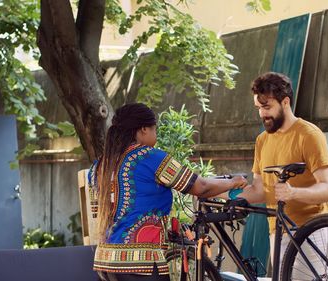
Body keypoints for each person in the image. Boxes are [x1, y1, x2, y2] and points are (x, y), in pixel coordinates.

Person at [88, 103, 247, 281]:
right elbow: (200, 186)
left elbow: (97, 214)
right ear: (143, 130)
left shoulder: (99, 166)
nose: (155, 134)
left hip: (105, 264)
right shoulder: (150, 157)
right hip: (141, 265)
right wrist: (233, 182)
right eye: (154, 129)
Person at [228, 72, 328, 277]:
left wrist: (293, 193)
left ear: (285, 102)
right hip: (279, 231)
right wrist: (218, 194)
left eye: (267, 107)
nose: (261, 114)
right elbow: (260, 191)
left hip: (312, 230)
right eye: (259, 108)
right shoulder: (262, 140)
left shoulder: (309, 135)